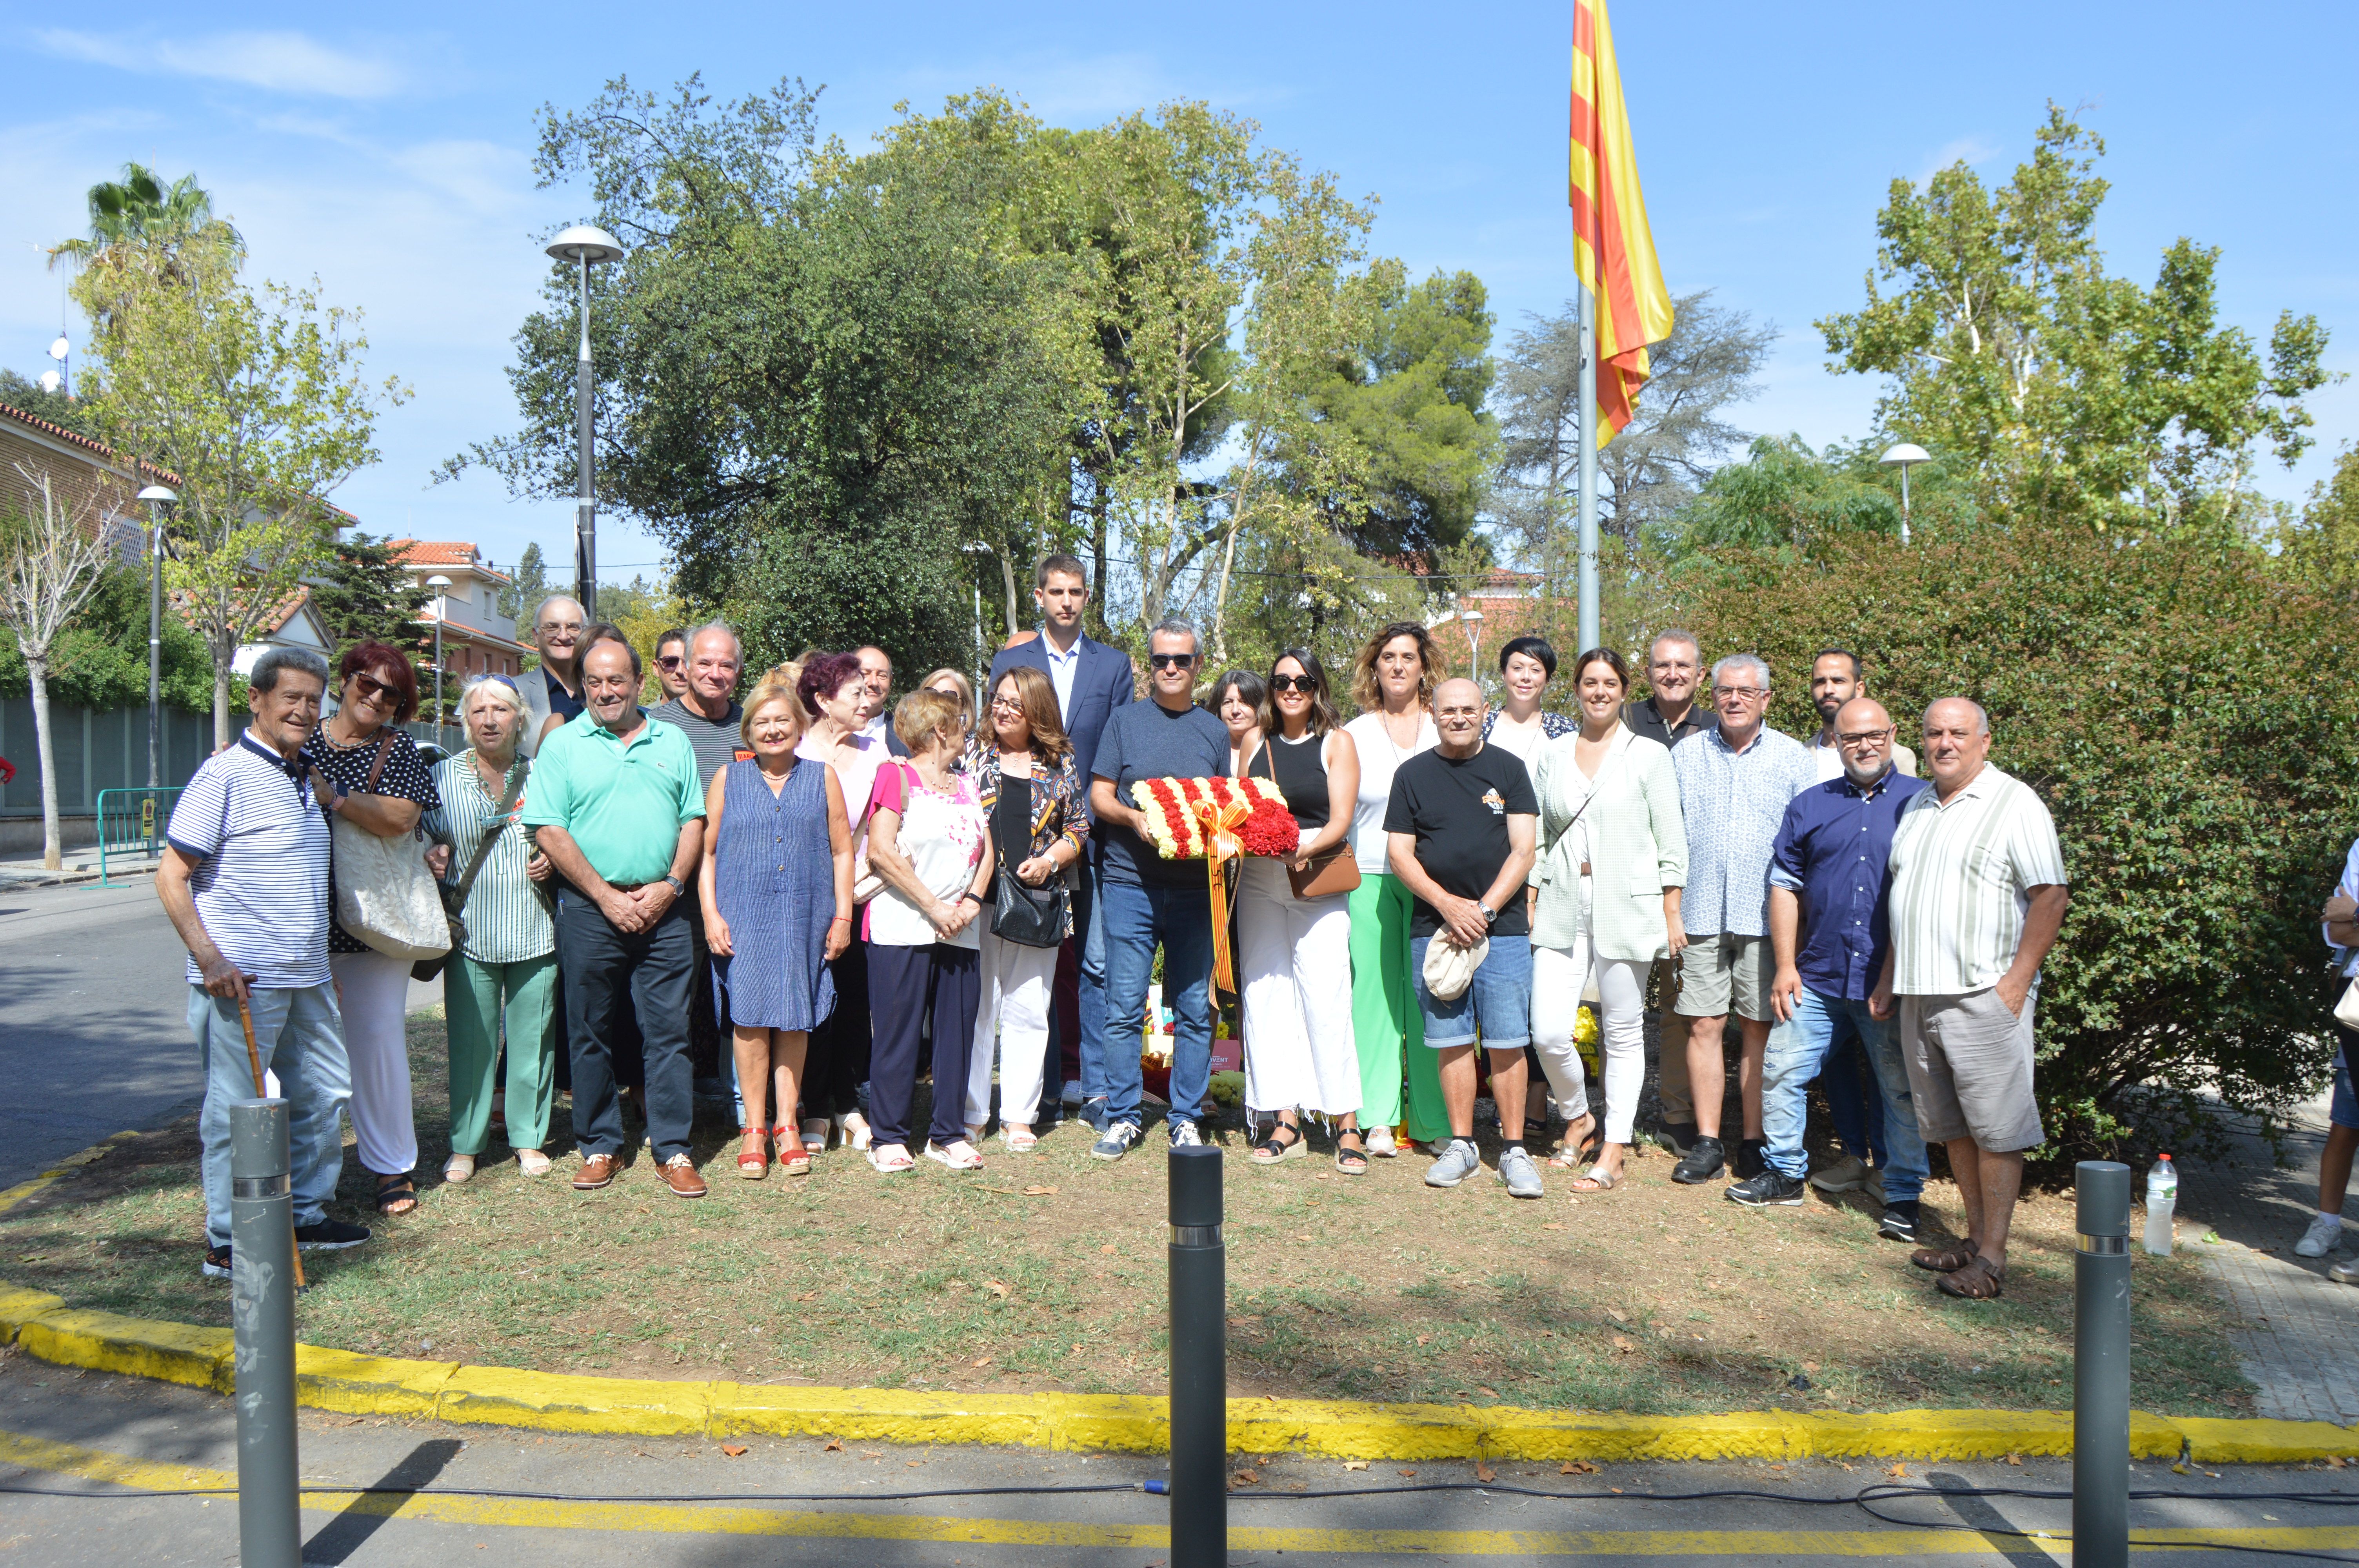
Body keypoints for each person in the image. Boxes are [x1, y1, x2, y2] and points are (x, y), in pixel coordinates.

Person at [156, 648, 371, 1279]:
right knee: (236, 1110)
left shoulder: (303, 773)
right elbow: (172, 877)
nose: (304, 710)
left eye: (313, 699)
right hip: (241, 979)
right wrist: (208, 957)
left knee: (325, 1094)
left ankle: (305, 1212)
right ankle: (229, 1238)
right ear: (257, 699)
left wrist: (316, 960)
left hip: (305, 974)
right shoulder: (223, 776)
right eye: (291, 698)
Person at [1870, 698, 2068, 1300]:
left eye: (1958, 733)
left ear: (1985, 740)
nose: (1945, 743)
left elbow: (2051, 895)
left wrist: (2016, 981)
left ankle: (1995, 1258)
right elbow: (1907, 903)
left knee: (1996, 1130)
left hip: (1983, 996)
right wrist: (1888, 979)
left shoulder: (2014, 803)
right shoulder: (1920, 805)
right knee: (1954, 1128)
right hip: (1920, 996)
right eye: (1935, 734)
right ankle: (1974, 1241)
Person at [1731, 698, 1933, 1240]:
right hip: (1815, 976)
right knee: (1782, 1072)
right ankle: (1784, 1174)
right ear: (1835, 743)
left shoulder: (1924, 803)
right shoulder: (1810, 805)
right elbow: (1784, 885)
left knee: (1899, 1090)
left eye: (1873, 735)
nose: (1864, 746)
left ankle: (1905, 1194)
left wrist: (1897, 977)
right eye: (1851, 738)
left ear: (1892, 735)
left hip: (1886, 983)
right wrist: (1785, 965)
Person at [522, 637, 711, 1198]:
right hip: (588, 908)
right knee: (589, 1031)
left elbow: (693, 821)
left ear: (637, 683)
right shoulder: (563, 744)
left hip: (666, 910)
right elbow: (549, 830)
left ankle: (673, 1149)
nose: (606, 692)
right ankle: (600, 1144)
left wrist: (671, 885)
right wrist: (605, 897)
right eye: (595, 682)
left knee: (670, 1033)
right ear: (583, 685)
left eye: (617, 680)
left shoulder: (671, 740)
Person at [987, 555, 1136, 1133]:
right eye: (1057, 592)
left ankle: (1097, 1091)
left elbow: (1119, 745)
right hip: (1026, 834)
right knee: (1033, 958)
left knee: (1095, 963)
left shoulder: (1114, 665)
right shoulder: (1011, 660)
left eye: (1077, 592)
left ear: (1087, 597)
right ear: (1039, 596)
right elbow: (995, 735)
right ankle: (1040, 1093)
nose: (1067, 601)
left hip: (1093, 834)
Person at [1529, 649, 1686, 1193]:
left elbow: (1671, 838)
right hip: (1561, 903)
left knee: (1622, 1031)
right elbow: (1542, 837)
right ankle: (1579, 1116)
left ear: (1624, 691)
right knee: (1548, 1029)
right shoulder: (1552, 755)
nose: (1599, 691)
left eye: (1610, 683)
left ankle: (1615, 1144)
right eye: (1589, 682)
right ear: (1575, 689)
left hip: (1629, 907)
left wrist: (1671, 910)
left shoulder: (1648, 755)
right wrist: (1532, 888)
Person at [1386, 677, 1543, 1197]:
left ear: (1485, 712)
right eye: (1448, 710)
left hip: (1504, 930)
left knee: (1506, 1041)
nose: (1458, 717)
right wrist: (1448, 906)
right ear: (1433, 713)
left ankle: (1516, 1151)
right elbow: (1400, 855)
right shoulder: (1411, 776)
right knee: (1451, 1040)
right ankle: (1462, 1146)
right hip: (1436, 931)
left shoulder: (1508, 770)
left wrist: (1484, 908)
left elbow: (1523, 850)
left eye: (1468, 710)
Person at [301, 641, 441, 1218]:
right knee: (302, 1053)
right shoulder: (300, 737)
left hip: (373, 921)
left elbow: (402, 818)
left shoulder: (397, 748)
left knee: (377, 1040)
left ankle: (390, 1167)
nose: (378, 698)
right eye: (369, 683)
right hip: (301, 919)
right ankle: (303, 1171)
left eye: (393, 694)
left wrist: (333, 798)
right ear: (346, 679)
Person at [1087, 617, 1234, 1160]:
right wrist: (1132, 819)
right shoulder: (1124, 722)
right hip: (1130, 885)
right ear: (1148, 665)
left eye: (1181, 660)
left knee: (1195, 1008)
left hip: (1197, 891)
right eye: (1160, 660)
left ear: (1197, 666)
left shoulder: (1214, 732)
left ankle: (1186, 1117)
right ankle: (1124, 1115)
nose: (1170, 669)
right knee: (1124, 1006)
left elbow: (1223, 808)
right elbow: (1100, 795)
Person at [1668, 654, 1816, 1185]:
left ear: (1766, 700)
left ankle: (1753, 1142)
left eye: (1745, 692)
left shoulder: (1795, 759)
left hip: (1765, 917)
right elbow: (1669, 836)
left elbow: (1806, 846)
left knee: (1758, 1029)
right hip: (1701, 912)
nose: (1734, 700)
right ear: (1714, 697)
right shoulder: (1686, 755)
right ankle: (1708, 1142)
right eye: (1725, 691)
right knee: (1704, 1025)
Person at [702, 678, 854, 1179]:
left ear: (799, 726)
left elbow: (841, 850)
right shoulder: (728, 777)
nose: (772, 730)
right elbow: (707, 852)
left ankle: (788, 1125)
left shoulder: (821, 776)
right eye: (762, 722)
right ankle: (754, 1129)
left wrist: (843, 915)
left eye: (782, 721)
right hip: (742, 918)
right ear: (749, 731)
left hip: (805, 916)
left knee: (795, 1017)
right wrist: (710, 913)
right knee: (749, 1019)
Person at [423, 675, 558, 1181]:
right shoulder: (440, 777)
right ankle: (466, 1144)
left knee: (533, 1041)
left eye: (500, 710)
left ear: (519, 718)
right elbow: (421, 837)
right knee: (471, 1042)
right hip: (470, 934)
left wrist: (552, 859)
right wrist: (430, 856)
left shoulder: (543, 773)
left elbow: (565, 832)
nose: (489, 719)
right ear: (465, 721)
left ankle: (528, 1140)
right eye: (478, 711)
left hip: (535, 928)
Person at [1238, 650, 1365, 1170]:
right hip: (1258, 877)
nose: (1293, 689)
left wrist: (1305, 850)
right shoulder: (1253, 741)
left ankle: (1346, 1123)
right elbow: (1236, 806)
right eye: (1283, 681)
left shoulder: (1337, 742)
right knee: (1265, 994)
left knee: (1326, 995)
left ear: (1318, 686)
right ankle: (1284, 1119)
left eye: (1303, 681)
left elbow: (1341, 819)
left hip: (1315, 873)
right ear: (1271, 687)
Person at [864, 688, 994, 1172]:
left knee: (956, 1033)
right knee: (897, 1034)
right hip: (903, 924)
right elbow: (880, 851)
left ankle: (947, 1134)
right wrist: (934, 906)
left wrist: (971, 903)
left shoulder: (967, 782)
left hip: (960, 926)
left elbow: (987, 852)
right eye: (960, 721)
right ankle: (890, 1136)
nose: (965, 728)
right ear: (941, 729)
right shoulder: (894, 775)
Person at [964, 666, 1088, 1151]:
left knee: (1029, 1010)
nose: (1001, 708)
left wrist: (1051, 859)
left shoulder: (1059, 762)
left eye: (1014, 703)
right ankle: (973, 1111)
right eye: (998, 699)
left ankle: (1019, 1115)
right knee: (977, 1009)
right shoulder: (973, 757)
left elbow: (1078, 826)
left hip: (1037, 903)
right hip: (975, 902)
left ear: (1036, 710)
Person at [1343, 622, 1448, 1158]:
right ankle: (1378, 1119)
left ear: (1424, 666)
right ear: (1375, 668)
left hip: (1435, 884)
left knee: (1432, 996)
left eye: (1409, 656)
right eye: (1389, 657)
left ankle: (1432, 1121)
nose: (1400, 666)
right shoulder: (1355, 734)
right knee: (1376, 1000)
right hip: (1370, 879)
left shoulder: (1445, 727)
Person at [1623, 629, 1716, 1155]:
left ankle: (1678, 1116)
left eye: (1683, 666)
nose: (1673, 674)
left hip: (1693, 891)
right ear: (1649, 671)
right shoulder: (1626, 721)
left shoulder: (1719, 724)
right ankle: (1618, 1110)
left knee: (1682, 1007)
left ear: (1700, 674)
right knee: (1621, 1002)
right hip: (1629, 885)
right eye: (1663, 665)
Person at [651, 622, 750, 1108]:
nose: (715, 673)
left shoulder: (753, 725)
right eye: (705, 663)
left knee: (739, 998)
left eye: (726, 664)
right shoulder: (653, 725)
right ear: (684, 666)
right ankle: (666, 1102)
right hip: (674, 889)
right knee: (674, 1001)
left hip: (742, 888)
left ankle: (733, 1092)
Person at [796, 653, 887, 1155]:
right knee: (811, 1003)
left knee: (853, 1000)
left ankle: (847, 1104)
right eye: (855, 692)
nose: (867, 699)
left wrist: (854, 890)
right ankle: (811, 1106)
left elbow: (883, 827)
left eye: (869, 690)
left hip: (860, 893)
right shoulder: (797, 747)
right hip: (802, 895)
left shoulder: (877, 751)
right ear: (823, 700)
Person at [2308, 856, 2359, 1264]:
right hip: (2355, 1005)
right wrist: (2349, 921)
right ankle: (2327, 1222)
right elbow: (2336, 928)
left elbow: (2349, 916)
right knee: (2346, 1119)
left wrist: (2357, 913)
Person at [1804, 650, 1916, 782]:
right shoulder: (1799, 755)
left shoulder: (1898, 758)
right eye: (1820, 682)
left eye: (1838, 681)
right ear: (1812, 690)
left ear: (1859, 689)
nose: (1828, 690)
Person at [1483, 636, 1577, 768]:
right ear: (1504, 673)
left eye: (1536, 670)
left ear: (1547, 679)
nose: (1526, 677)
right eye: (1517, 668)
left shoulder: (1564, 730)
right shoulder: (1481, 726)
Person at [518, 595, 589, 753]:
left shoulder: (604, 691)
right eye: (552, 628)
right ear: (536, 636)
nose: (563, 636)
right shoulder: (514, 693)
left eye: (573, 627)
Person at [1209, 668, 1267, 779]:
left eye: (1244, 702)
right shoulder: (1210, 749)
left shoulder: (1273, 747)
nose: (1235, 710)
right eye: (1228, 703)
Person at [855, 646, 895, 746]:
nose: (874, 683)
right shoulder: (827, 729)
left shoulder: (905, 735)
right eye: (865, 674)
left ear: (890, 681)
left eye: (882, 675)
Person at [652, 627, 693, 705]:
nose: (680, 671)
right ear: (656, 668)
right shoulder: (643, 716)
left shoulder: (716, 715)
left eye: (687, 662)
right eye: (670, 661)